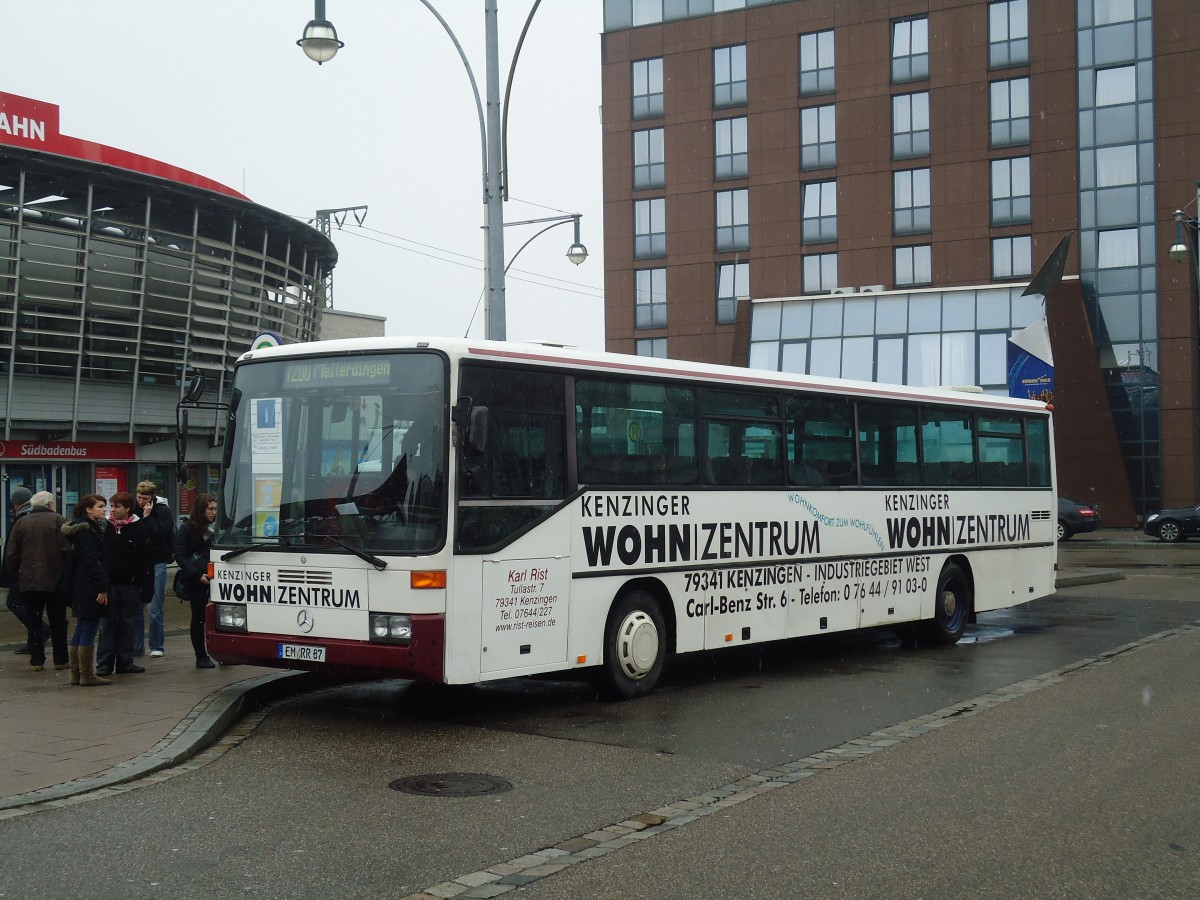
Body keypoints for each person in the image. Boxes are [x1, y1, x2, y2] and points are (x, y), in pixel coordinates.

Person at [3, 490, 69, 672]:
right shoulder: (59, 521)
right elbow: (68, 549)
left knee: (34, 620)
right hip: (55, 581)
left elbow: (11, 554)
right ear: (50, 504)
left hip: (29, 580)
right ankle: (61, 659)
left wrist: (18, 573)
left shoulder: (21, 522)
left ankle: (37, 660)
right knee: (58, 621)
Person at [95, 492, 150, 677]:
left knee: (127, 624)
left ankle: (125, 661)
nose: (112, 510)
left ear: (127, 508)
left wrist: (147, 586)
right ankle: (104, 663)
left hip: (130, 584)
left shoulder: (139, 528)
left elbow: (145, 559)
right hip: (110, 585)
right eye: (111, 506)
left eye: (117, 507)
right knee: (107, 625)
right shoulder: (105, 527)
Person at [62, 495, 111, 686]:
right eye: (100, 506)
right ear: (88, 510)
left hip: (80, 585)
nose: (104, 509)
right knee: (89, 627)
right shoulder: (88, 533)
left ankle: (77, 673)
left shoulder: (81, 530)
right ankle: (86, 674)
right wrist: (102, 588)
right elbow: (92, 562)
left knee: (82, 627)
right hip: (89, 586)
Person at [3, 486, 49, 655]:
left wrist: (11, 569)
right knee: (29, 605)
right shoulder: (34, 517)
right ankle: (34, 640)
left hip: (24, 570)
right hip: (36, 570)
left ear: (16, 504)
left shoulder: (21, 519)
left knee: (15, 602)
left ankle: (40, 633)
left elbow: (13, 550)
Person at [174, 494, 217, 669]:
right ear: (201, 510)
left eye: (215, 509)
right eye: (211, 509)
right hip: (196, 579)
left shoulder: (216, 529)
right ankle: (201, 656)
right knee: (198, 618)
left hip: (214, 577)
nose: (214, 512)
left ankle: (220, 652)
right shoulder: (187, 529)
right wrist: (197, 574)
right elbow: (180, 555)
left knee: (217, 616)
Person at [135, 480, 174, 658]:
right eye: (139, 497)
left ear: (152, 498)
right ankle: (137, 646)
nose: (141, 501)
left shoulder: (163, 511)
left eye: (145, 498)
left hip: (157, 561)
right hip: (138, 562)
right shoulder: (133, 510)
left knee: (155, 607)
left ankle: (157, 645)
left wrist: (148, 517)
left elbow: (159, 535)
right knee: (137, 606)